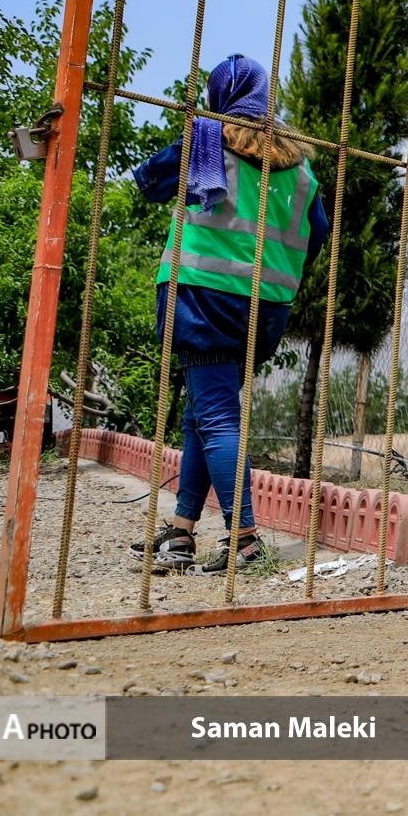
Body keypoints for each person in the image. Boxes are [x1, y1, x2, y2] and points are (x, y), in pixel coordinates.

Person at [126, 54, 328, 575]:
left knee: (215, 417)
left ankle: (245, 540)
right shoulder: (300, 166)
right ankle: (182, 532)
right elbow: (318, 234)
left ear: (220, 97)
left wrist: (193, 129)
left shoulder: (207, 142)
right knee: (201, 412)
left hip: (204, 301)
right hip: (266, 309)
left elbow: (147, 183)